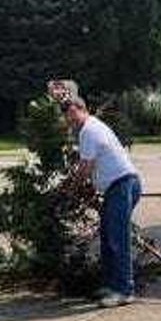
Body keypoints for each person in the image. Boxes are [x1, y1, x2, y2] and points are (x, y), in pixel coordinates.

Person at [49, 80, 142, 308]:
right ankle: (112, 285)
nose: (70, 121)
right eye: (67, 118)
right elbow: (91, 168)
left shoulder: (89, 130)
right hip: (118, 186)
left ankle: (123, 290)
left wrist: (69, 188)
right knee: (108, 237)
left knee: (117, 239)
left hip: (122, 185)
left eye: (73, 115)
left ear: (83, 109)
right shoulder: (91, 127)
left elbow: (85, 168)